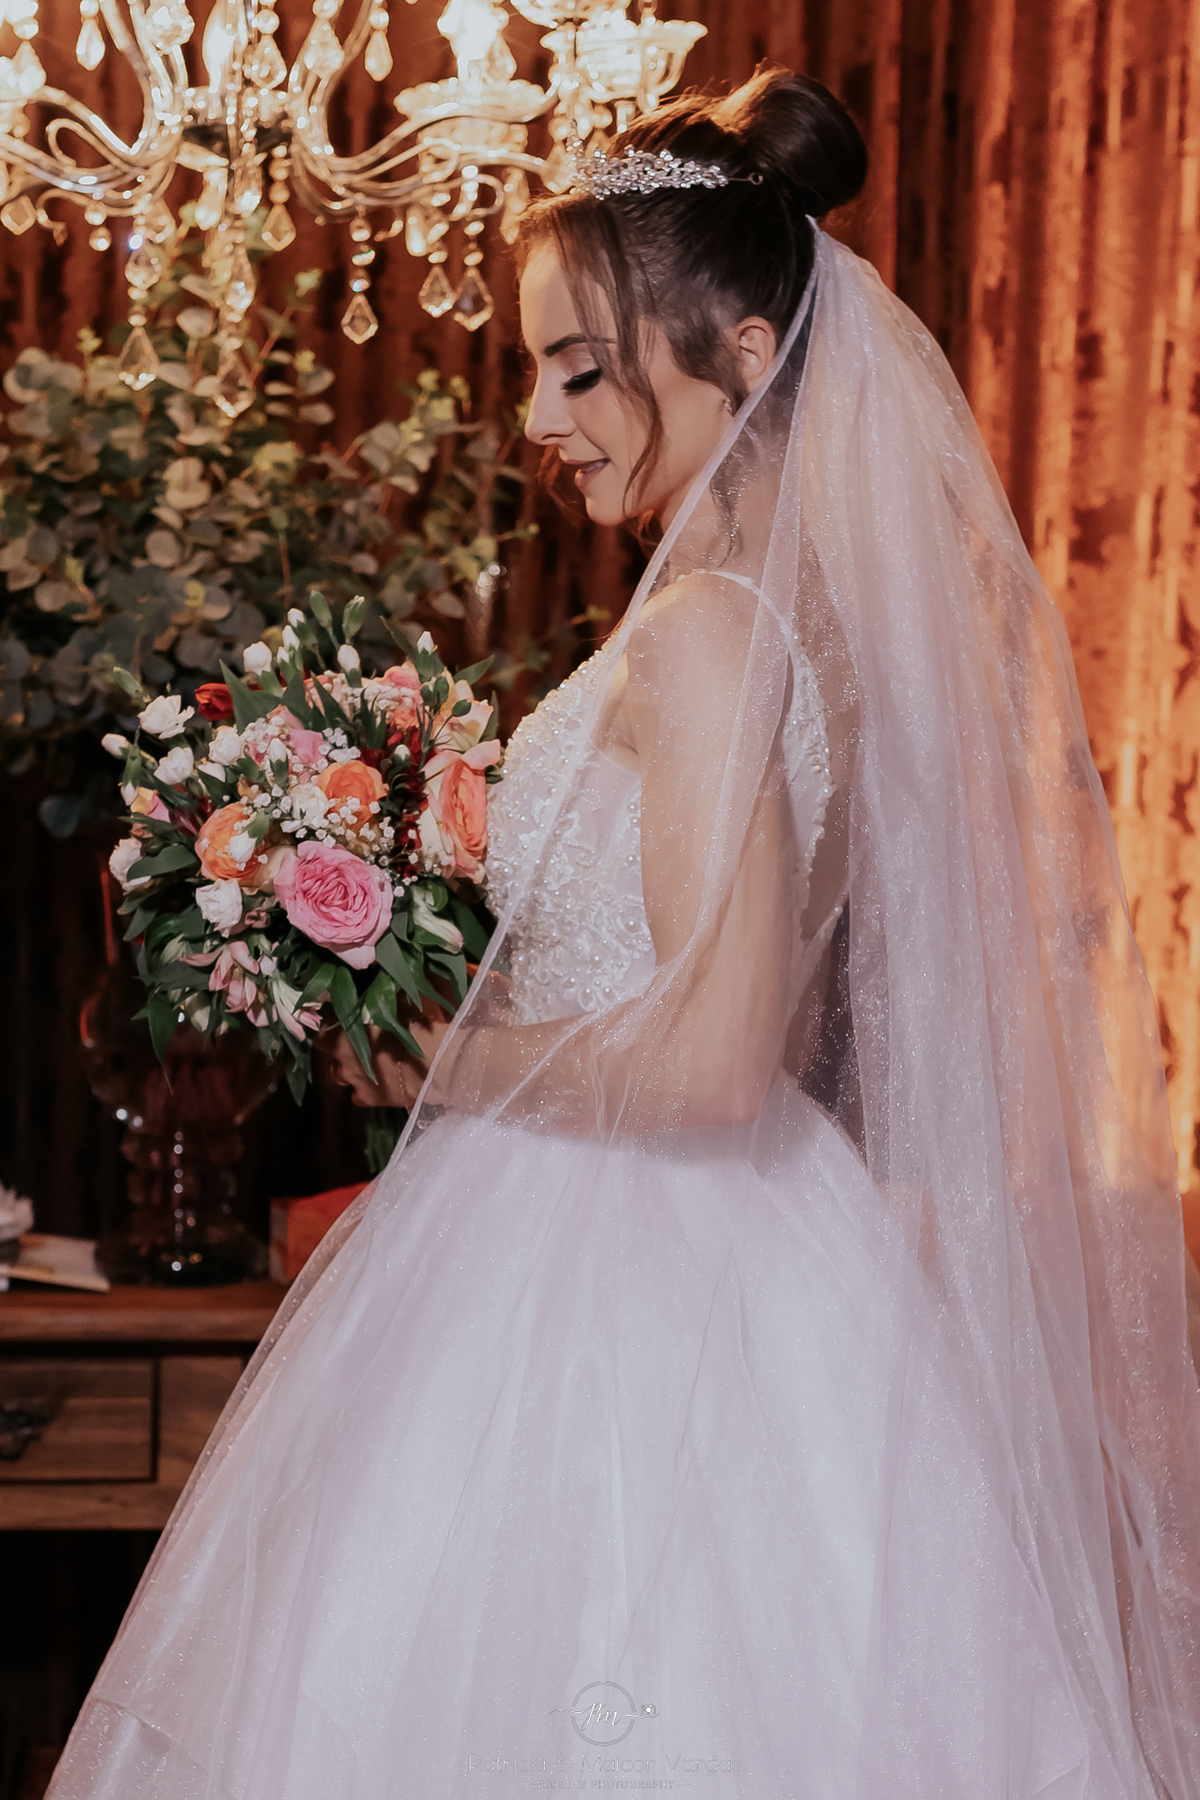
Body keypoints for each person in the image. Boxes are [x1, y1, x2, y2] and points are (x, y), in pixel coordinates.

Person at [47, 66, 1200, 1800]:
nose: (541, 414)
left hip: (624, 1271)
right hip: (674, 1236)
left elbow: (721, 1062)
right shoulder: (760, 621)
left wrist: (441, 1055)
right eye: (535, 368)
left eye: (582, 368)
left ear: (743, 353)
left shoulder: (713, 633)